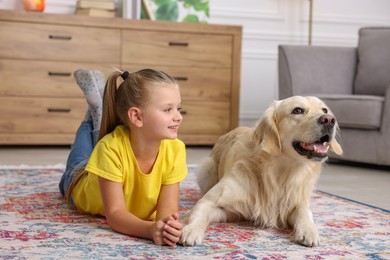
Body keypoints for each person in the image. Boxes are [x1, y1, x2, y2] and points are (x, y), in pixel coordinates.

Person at [59, 68, 188, 247]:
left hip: (113, 156)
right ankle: (93, 112)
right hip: (79, 180)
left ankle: (99, 111)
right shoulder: (109, 148)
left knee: (104, 143)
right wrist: (150, 230)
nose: (179, 117)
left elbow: (168, 208)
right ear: (136, 116)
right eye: (168, 109)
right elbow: (116, 214)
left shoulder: (176, 149)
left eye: (178, 108)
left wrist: (167, 227)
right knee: (79, 162)